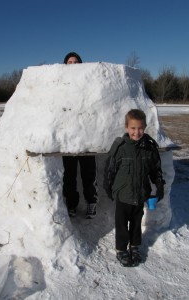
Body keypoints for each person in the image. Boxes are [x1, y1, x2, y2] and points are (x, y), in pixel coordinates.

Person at [104, 109, 165, 267]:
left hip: (139, 193)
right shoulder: (120, 147)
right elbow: (110, 168)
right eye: (133, 128)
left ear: (144, 127)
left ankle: (135, 247)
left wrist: (159, 185)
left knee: (137, 223)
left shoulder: (149, 148)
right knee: (122, 224)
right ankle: (121, 249)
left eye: (140, 128)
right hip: (123, 194)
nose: (136, 132)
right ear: (126, 127)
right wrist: (108, 187)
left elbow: (155, 169)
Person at [62, 52, 98, 219]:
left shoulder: (89, 84)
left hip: (86, 139)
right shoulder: (60, 84)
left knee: (89, 175)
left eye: (76, 62)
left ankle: (91, 203)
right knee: (69, 176)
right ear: (65, 65)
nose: (73, 65)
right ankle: (71, 205)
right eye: (70, 62)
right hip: (67, 140)